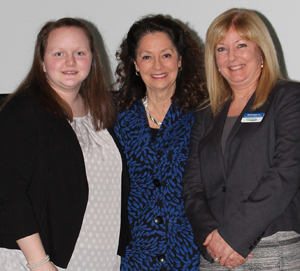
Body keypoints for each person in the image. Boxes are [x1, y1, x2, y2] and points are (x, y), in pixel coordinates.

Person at [0, 17, 130, 271]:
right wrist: (39, 263)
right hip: (40, 262)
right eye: (59, 53)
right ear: (42, 62)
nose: (70, 62)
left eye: (79, 52)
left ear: (93, 59)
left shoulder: (100, 112)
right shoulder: (24, 110)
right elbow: (10, 192)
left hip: (99, 259)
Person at [182, 8, 300, 270]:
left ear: (261, 51)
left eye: (241, 45)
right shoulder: (206, 113)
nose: (231, 56)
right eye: (221, 48)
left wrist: (234, 236)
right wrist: (210, 237)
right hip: (215, 252)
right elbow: (192, 184)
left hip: (271, 247)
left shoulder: (289, 97)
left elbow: (287, 172)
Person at [113, 14, 207, 270]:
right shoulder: (115, 117)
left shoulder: (205, 114)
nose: (157, 66)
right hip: (135, 255)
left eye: (166, 55)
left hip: (191, 253)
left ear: (180, 60)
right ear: (134, 64)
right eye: (146, 57)